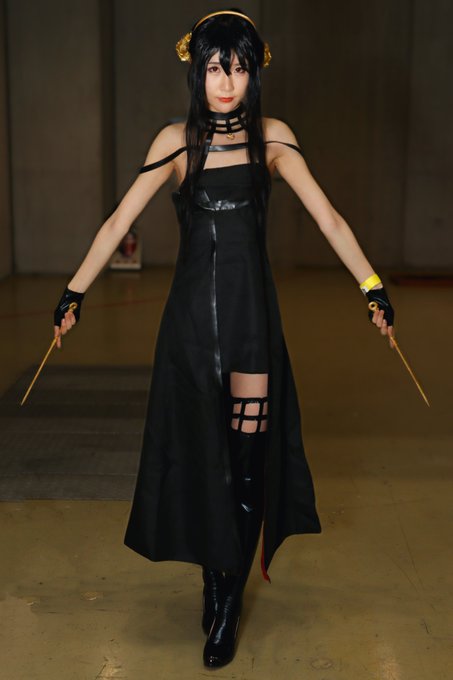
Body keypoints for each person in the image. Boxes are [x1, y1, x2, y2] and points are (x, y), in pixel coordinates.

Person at [53, 8, 395, 669]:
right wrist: (74, 293)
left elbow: (328, 218)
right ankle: (213, 580)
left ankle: (229, 600)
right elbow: (117, 222)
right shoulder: (175, 141)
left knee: (246, 462)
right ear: (197, 71)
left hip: (250, 324)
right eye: (215, 68)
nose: (226, 82)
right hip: (189, 329)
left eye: (237, 68)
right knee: (203, 459)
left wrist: (371, 287)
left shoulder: (274, 139)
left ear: (253, 71)